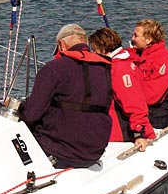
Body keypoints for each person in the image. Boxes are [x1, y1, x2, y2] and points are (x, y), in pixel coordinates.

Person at [20, 24, 112, 168]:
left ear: (61, 45)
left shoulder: (53, 69)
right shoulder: (105, 68)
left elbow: (32, 115)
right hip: (94, 151)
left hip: (60, 151)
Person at [88, 27, 156, 152]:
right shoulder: (126, 63)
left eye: (94, 49)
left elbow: (134, 103)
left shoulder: (119, 69)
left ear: (102, 49)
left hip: (122, 135)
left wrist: (139, 134)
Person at [129, 19, 168, 128]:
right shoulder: (136, 55)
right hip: (144, 105)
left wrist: (126, 97)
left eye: (136, 36)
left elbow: (152, 97)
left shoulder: (165, 60)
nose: (132, 38)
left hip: (165, 111)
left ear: (148, 40)